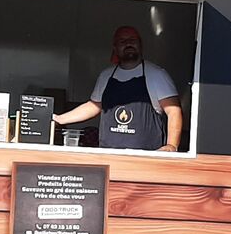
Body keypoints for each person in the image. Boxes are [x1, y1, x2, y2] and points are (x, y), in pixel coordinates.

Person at [53, 25, 183, 151]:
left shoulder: (156, 75)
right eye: (122, 41)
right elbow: (94, 106)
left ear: (140, 45)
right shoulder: (106, 76)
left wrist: (171, 145)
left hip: (145, 157)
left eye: (132, 40)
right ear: (115, 48)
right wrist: (60, 119)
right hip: (109, 154)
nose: (128, 44)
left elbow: (174, 111)